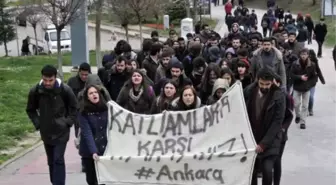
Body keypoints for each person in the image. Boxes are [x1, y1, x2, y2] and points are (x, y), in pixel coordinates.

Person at [26, 65, 78, 185]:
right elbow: (30, 109)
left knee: (58, 159)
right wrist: (39, 123)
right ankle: (55, 182)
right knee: (51, 161)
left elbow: (74, 108)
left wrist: (68, 122)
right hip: (46, 132)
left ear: (55, 77)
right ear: (42, 78)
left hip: (61, 132)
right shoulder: (36, 91)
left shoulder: (65, 90)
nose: (47, 83)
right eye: (45, 80)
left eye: (50, 80)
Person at [244, 68, 286, 185]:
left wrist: (263, 144)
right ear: (257, 81)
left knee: (267, 171)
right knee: (251, 172)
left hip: (270, 140)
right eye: (261, 83)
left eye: (267, 84)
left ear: (272, 82)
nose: (264, 87)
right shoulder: (249, 91)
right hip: (252, 138)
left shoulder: (279, 96)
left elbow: (277, 122)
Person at [79, 85, 108, 185]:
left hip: (104, 149)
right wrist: (93, 151)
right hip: (89, 151)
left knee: (104, 178)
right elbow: (87, 132)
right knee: (92, 180)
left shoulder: (106, 109)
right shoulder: (83, 112)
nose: (94, 94)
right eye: (91, 93)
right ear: (87, 97)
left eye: (95, 92)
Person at [290, 48, 317, 129]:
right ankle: (298, 115)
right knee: (296, 104)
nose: (303, 56)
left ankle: (303, 122)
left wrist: (309, 84)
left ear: (308, 55)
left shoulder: (312, 64)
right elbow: (291, 75)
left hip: (306, 88)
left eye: (305, 54)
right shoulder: (295, 64)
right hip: (297, 87)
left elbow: (314, 77)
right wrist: (300, 77)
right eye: (302, 54)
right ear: (300, 55)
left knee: (305, 106)